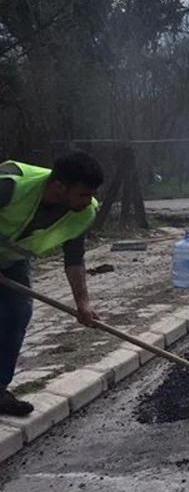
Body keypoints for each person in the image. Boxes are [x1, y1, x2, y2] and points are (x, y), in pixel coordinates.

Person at [0, 151, 104, 416]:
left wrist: (83, 303)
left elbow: (74, 258)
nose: (88, 200)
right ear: (59, 186)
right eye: (82, 194)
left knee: (17, 313)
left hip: (10, 260)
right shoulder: (11, 186)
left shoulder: (83, 212)